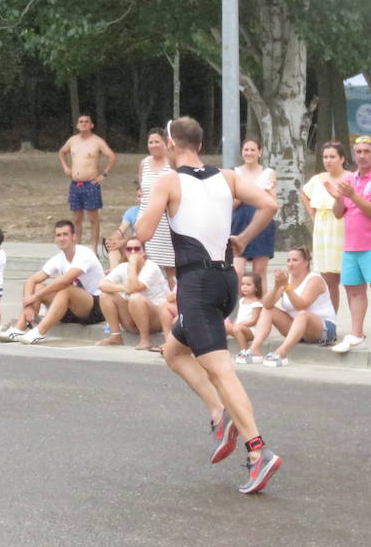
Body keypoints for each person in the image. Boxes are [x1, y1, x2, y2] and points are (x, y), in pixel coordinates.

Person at [136, 115, 283, 494]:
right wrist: (244, 239)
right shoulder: (230, 177)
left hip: (197, 284)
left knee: (221, 370)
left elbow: (143, 233)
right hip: (226, 281)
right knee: (173, 350)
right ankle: (221, 415)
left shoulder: (168, 180)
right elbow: (269, 203)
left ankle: (257, 451)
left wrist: (147, 201)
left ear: (171, 145)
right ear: (200, 145)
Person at [327, 135, 371, 356]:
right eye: (359, 152)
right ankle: (357, 334)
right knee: (354, 291)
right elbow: (339, 214)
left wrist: (353, 195)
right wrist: (338, 197)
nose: (363, 156)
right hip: (351, 245)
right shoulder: (350, 180)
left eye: (367, 151)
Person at [236, 247, 338, 367]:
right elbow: (266, 304)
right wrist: (276, 286)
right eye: (288, 260)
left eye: (295, 260)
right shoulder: (287, 278)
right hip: (297, 329)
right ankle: (254, 350)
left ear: (306, 263)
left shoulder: (314, 279)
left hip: (323, 330)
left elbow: (302, 305)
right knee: (268, 311)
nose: (290, 264)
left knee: (303, 314)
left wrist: (287, 287)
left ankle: (281, 353)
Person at [11, 219, 106, 344]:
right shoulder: (58, 259)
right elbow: (31, 280)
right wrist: (29, 304)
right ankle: (20, 328)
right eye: (58, 235)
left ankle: (40, 332)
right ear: (55, 239)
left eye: (65, 234)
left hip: (95, 307)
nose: (62, 239)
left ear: (74, 237)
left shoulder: (84, 254)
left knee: (66, 289)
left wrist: (35, 297)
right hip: (70, 309)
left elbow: (64, 281)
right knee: (38, 286)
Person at [97, 235, 171, 350]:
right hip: (134, 317)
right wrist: (122, 288)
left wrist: (132, 264)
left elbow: (134, 288)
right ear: (125, 252)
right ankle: (115, 336)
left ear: (143, 251)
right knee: (105, 295)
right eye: (129, 249)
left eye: (137, 249)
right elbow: (102, 285)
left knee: (135, 297)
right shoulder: (122, 267)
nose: (133, 252)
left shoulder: (151, 267)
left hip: (157, 319)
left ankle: (145, 340)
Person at [300, 141, 347, 313]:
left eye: (332, 157)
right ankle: (329, 317)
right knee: (325, 277)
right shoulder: (318, 179)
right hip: (322, 229)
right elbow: (304, 193)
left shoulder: (349, 178)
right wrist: (312, 214)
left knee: (339, 277)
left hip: (341, 227)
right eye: (325, 157)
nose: (328, 160)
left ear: (342, 159)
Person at [58, 114, 116, 251]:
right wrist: (66, 167)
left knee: (93, 218)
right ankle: (77, 248)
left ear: (91, 125)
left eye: (86, 122)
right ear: (77, 125)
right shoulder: (72, 140)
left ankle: (94, 249)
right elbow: (62, 152)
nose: (83, 124)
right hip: (75, 184)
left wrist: (104, 174)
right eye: (81, 122)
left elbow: (112, 156)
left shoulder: (97, 141)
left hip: (91, 184)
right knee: (77, 218)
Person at [230, 138, 277, 283]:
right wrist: (257, 193)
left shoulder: (269, 173)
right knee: (237, 271)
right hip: (239, 221)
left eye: (252, 150)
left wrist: (247, 194)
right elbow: (232, 203)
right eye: (246, 150)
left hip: (263, 223)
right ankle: (239, 304)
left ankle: (261, 305)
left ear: (260, 152)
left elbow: (272, 201)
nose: (249, 153)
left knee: (259, 272)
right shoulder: (234, 173)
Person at [138, 128, 177, 287]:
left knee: (170, 268)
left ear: (165, 142)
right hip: (145, 217)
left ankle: (174, 302)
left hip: (166, 222)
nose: (153, 145)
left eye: (157, 141)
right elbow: (142, 188)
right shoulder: (144, 163)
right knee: (146, 265)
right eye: (150, 142)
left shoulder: (172, 163)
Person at [227, 272, 265, 355]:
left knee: (237, 328)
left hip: (251, 331)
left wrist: (239, 325)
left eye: (248, 285)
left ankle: (244, 351)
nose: (244, 287)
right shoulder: (241, 300)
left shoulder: (257, 303)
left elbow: (254, 321)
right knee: (224, 326)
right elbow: (239, 316)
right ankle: (220, 348)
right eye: (243, 284)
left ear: (256, 288)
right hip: (239, 327)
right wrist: (235, 324)